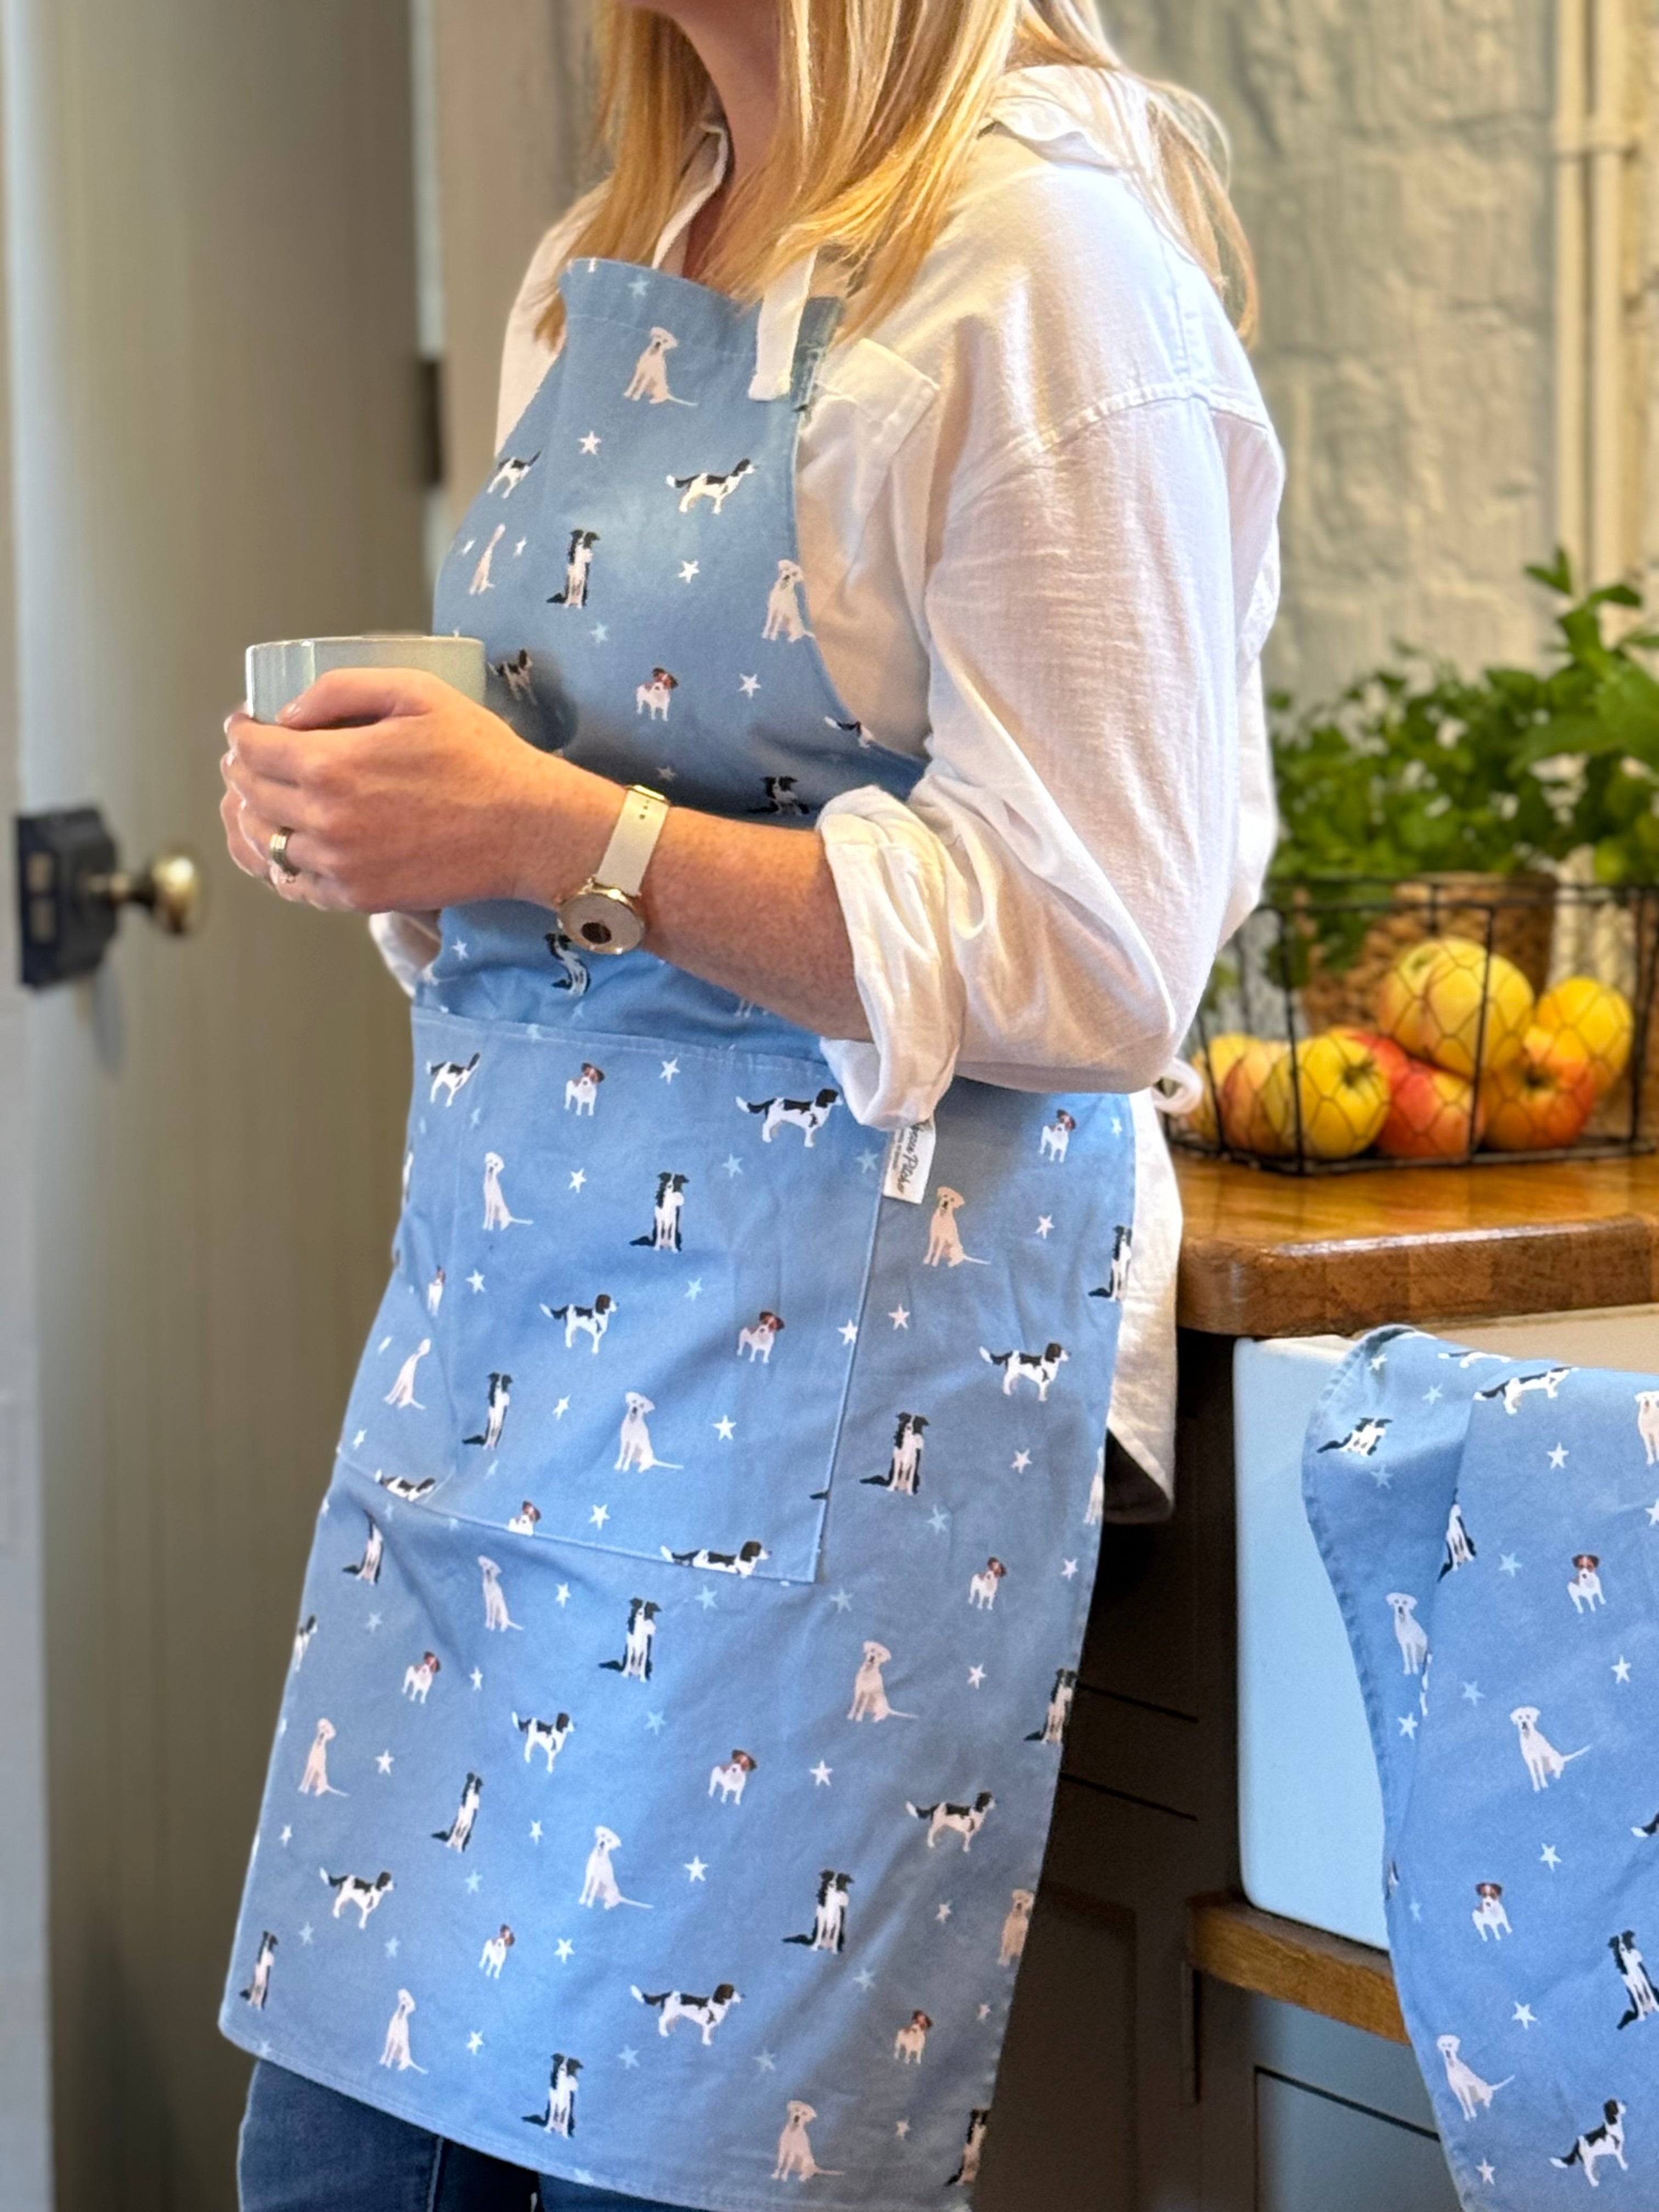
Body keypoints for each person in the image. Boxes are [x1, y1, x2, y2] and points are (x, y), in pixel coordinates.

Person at [218, 1, 1282, 2206]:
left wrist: (555, 834)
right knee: (336, 2167)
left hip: (823, 1420)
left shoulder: (1041, 262)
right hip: (502, 1383)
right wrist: (408, 839)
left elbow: (1099, 948)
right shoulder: (613, 250)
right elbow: (575, 836)